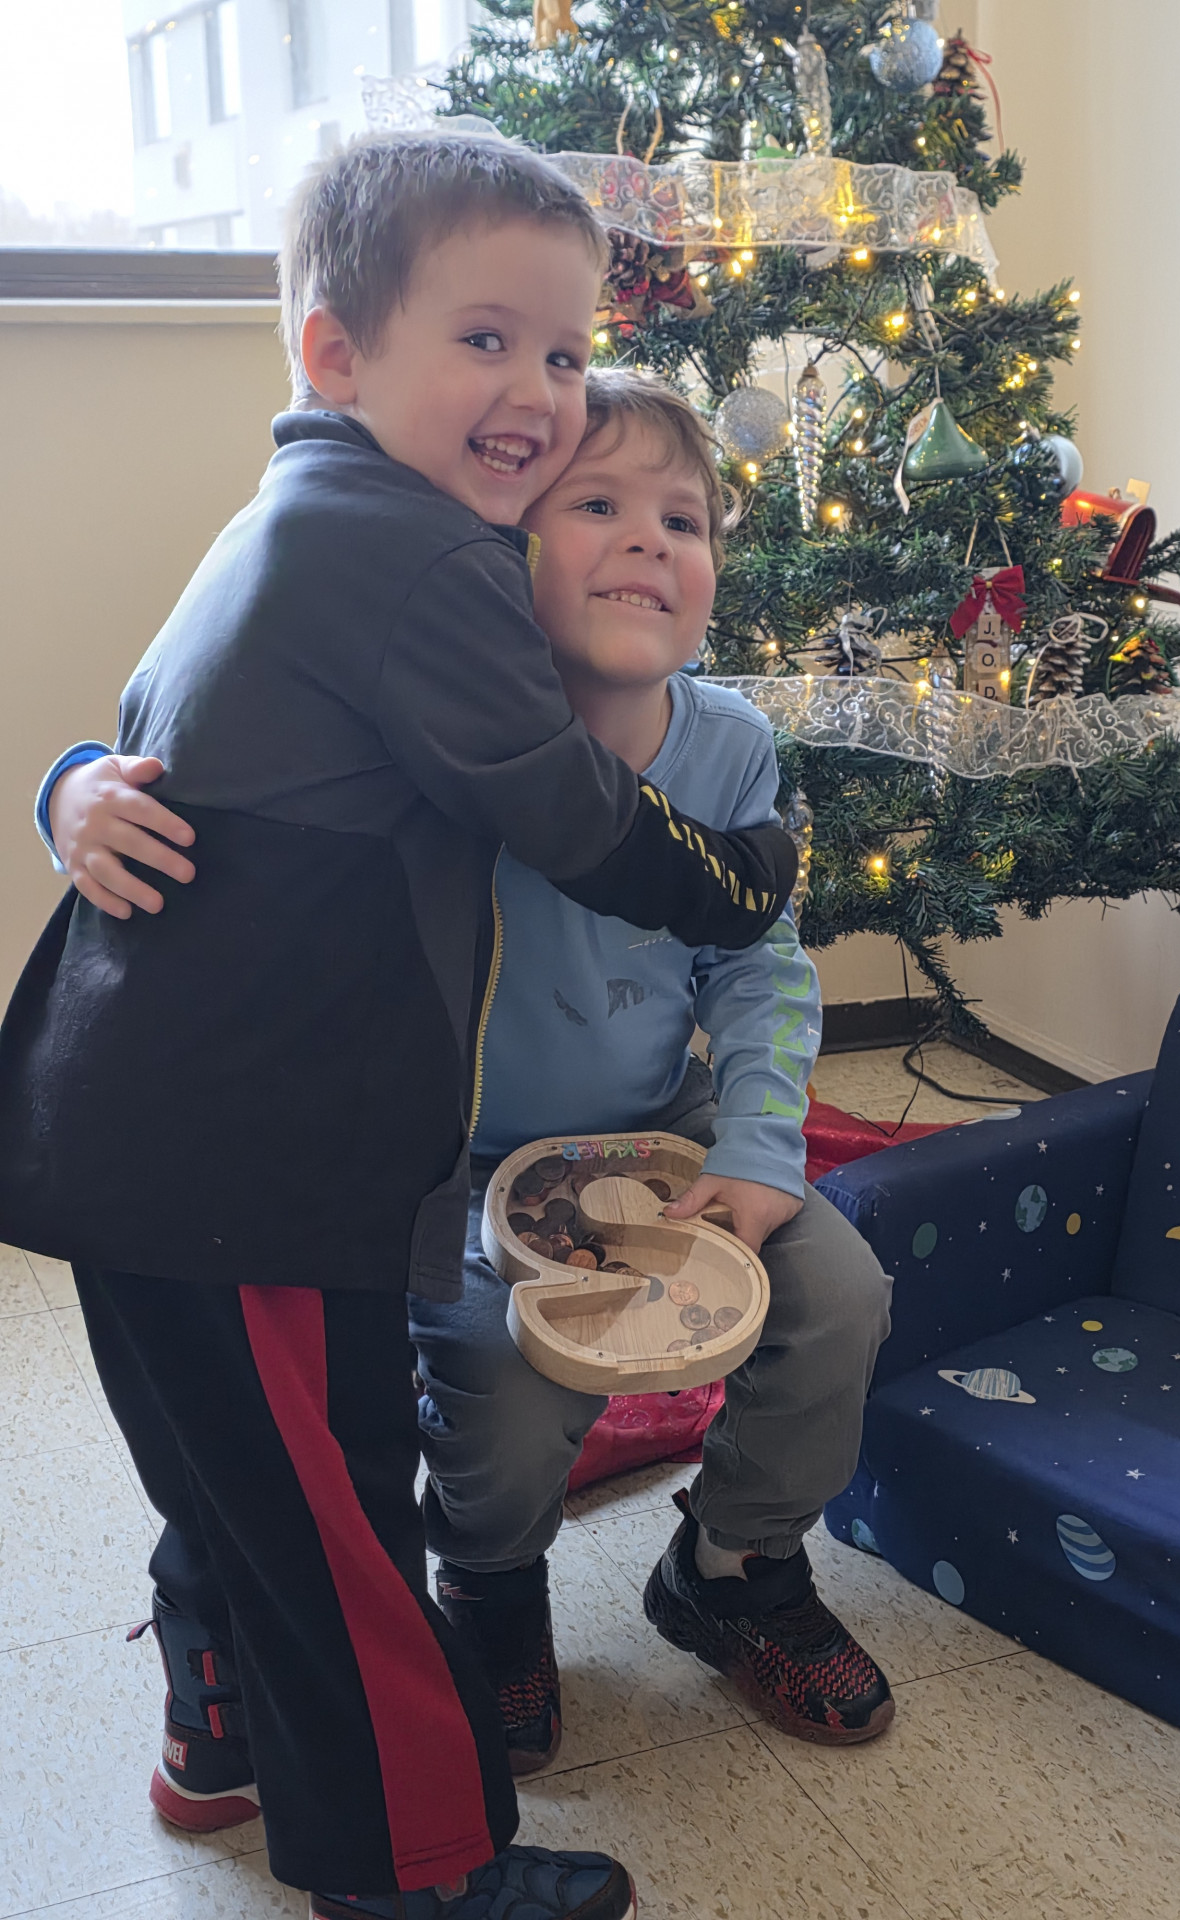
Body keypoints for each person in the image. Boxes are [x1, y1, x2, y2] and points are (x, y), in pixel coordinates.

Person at [0, 131, 799, 1920]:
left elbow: (148, 724)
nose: (539, 394)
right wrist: (745, 875)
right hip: (242, 1156)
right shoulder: (421, 557)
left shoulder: (289, 513)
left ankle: (217, 1737)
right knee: (338, 1514)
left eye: (566, 352)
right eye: (486, 340)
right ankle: (417, 1870)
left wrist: (66, 782)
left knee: (238, 1470)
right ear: (335, 352)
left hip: (150, 1133)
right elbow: (579, 819)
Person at [44, 370, 896, 1786]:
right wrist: (73, 785)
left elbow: (760, 963)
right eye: (598, 505)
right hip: (458, 1157)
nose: (650, 539)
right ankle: (493, 1589)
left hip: (662, 1129)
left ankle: (735, 1566)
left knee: (839, 1296)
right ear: (500, 552)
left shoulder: (733, 747)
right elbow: (222, 750)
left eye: (684, 521)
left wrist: (759, 1146)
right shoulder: (434, 728)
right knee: (497, 1380)